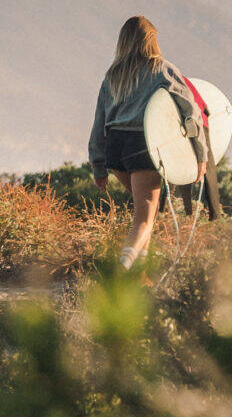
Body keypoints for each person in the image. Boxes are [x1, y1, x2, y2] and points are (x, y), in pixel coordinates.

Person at [89, 15, 222, 267]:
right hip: (143, 144)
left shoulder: (112, 76)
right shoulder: (163, 69)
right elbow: (191, 115)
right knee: (144, 217)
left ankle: (141, 278)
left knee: (147, 212)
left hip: (115, 149)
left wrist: (98, 164)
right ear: (151, 41)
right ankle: (121, 271)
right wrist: (201, 156)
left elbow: (99, 122)